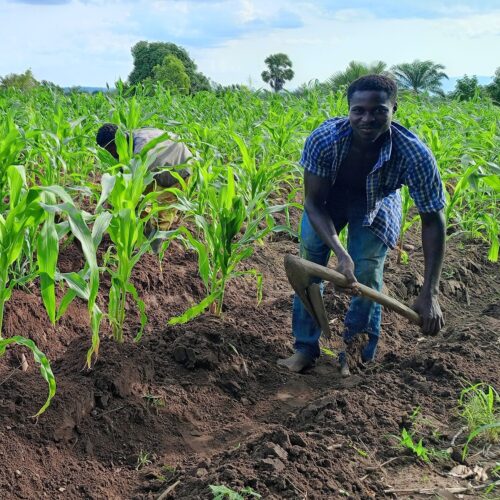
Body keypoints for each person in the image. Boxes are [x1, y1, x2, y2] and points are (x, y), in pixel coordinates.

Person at [278, 75, 446, 375]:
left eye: (379, 110)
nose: (367, 118)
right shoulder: (324, 139)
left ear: (394, 109)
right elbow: (314, 203)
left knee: (366, 274)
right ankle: (304, 347)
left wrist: (430, 292)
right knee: (309, 264)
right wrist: (341, 255)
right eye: (359, 110)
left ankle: (355, 355)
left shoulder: (414, 154)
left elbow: (433, 219)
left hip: (377, 203)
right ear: (349, 109)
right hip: (327, 202)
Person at [96, 124, 194, 230]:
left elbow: (133, 187)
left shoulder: (141, 152)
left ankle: (157, 240)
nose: (110, 154)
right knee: (139, 206)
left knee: (164, 209)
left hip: (179, 163)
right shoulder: (127, 139)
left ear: (116, 142)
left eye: (109, 150)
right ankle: (142, 230)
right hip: (158, 160)